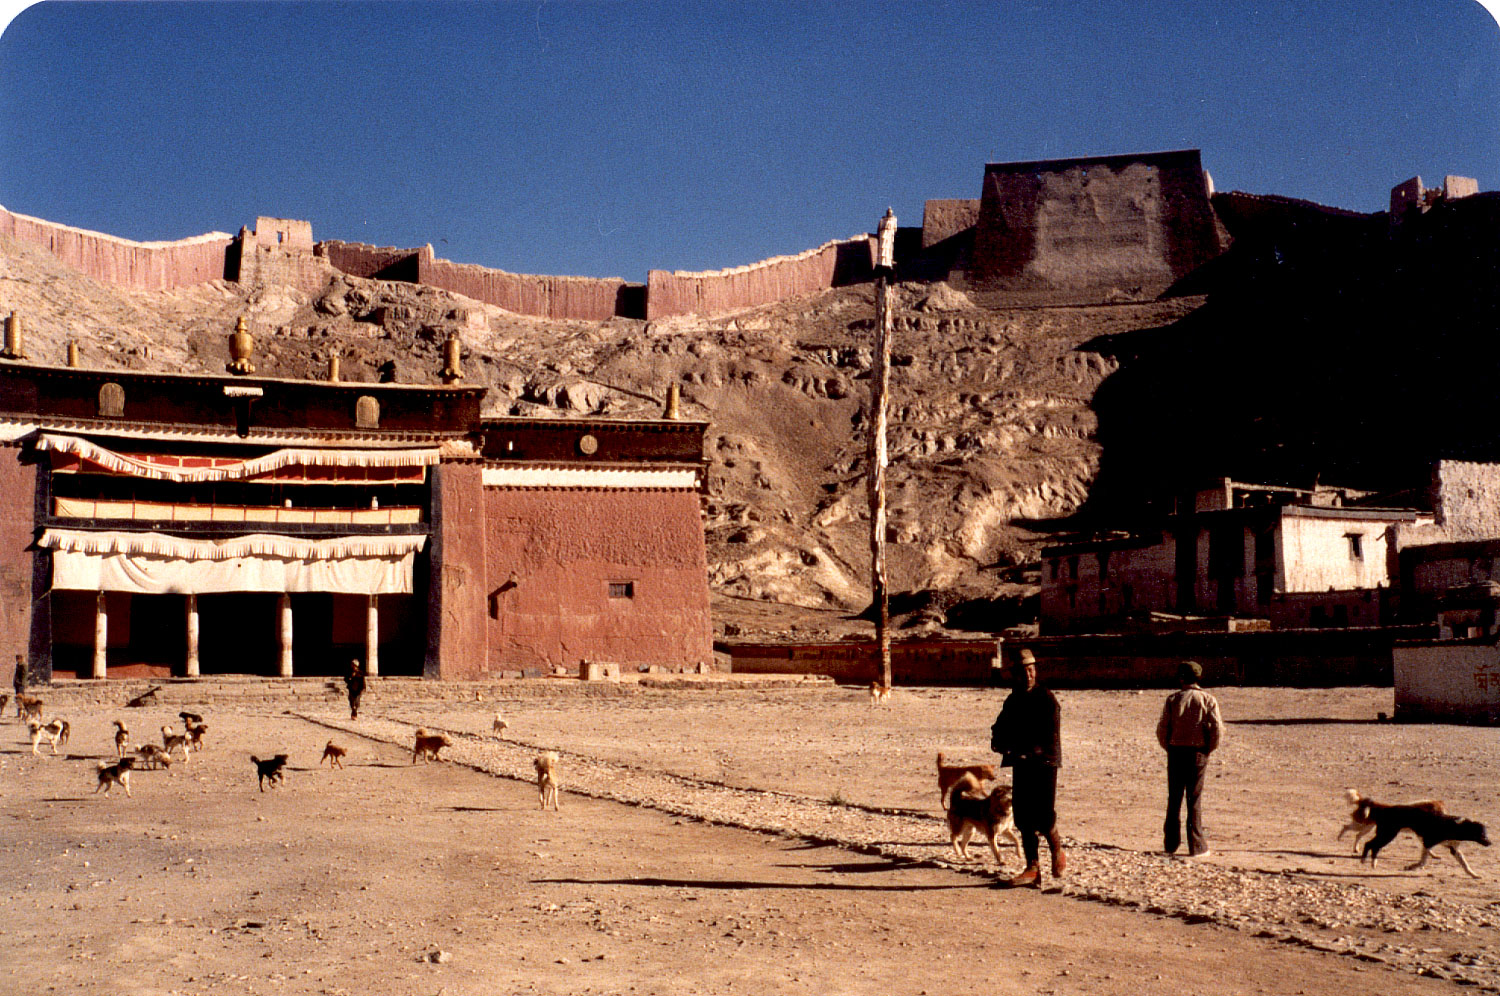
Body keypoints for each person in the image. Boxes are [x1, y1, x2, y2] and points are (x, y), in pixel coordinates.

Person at [989, 648, 1065, 887]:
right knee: (1022, 817)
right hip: (1022, 763)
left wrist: (1033, 751)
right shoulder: (1013, 700)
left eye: (1032, 670)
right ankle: (1032, 867)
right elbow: (999, 729)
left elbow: (1050, 732)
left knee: (1043, 816)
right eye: (1024, 671)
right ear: (1016, 675)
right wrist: (1002, 745)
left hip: (1044, 763)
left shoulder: (1046, 698)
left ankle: (1056, 848)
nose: (1029, 675)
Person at [1156, 660, 1224, 858]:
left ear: (1181, 678)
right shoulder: (1208, 699)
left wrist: (1169, 747)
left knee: (1174, 798)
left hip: (1176, 752)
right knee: (1194, 800)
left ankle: (1170, 844)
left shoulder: (1172, 700)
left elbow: (1162, 728)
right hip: (1197, 753)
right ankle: (1196, 846)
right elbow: (1217, 729)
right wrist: (1208, 749)